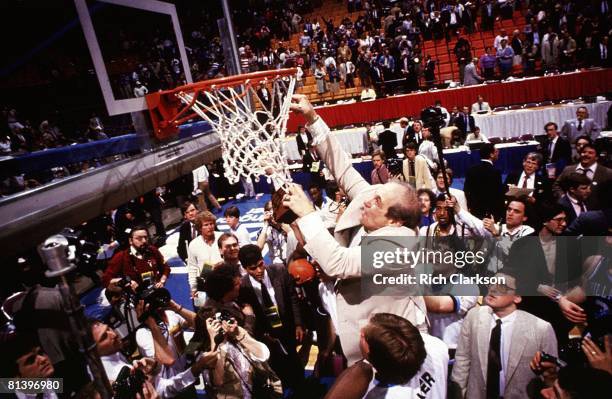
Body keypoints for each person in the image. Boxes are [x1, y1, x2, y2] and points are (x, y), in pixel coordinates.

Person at [282, 94, 427, 365]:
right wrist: (313, 119)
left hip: (394, 354)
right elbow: (343, 168)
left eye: (378, 199)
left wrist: (308, 214)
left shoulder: (402, 244)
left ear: (395, 220)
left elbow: (338, 263)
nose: (368, 197)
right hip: (362, 342)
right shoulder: (375, 207)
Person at [451, 272, 558, 399]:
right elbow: (462, 361)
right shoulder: (473, 316)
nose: (493, 289)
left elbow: (550, 379)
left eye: (501, 287)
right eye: (491, 283)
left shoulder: (541, 328)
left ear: (517, 297)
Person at [237, 244, 305, 392]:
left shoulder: (279, 270)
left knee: (294, 362)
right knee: (276, 369)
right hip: (266, 335)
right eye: (253, 268)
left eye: (261, 265)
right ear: (244, 268)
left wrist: (299, 324)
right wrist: (263, 336)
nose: (259, 270)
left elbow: (293, 297)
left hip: (287, 327)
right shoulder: (243, 286)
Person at [102, 226, 170, 289]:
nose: (144, 241)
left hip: (155, 289)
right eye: (139, 238)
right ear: (130, 241)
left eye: (146, 237)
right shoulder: (121, 256)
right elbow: (105, 279)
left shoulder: (152, 250)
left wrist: (162, 281)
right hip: (136, 296)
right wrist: (125, 281)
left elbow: (165, 268)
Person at [553, 143, 612, 210]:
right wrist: (564, 198)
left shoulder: (608, 173)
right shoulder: (569, 169)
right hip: (570, 212)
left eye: (590, 153)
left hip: (596, 212)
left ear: (596, 157)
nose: (586, 154)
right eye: (584, 152)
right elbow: (556, 185)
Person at [187, 211, 223, 304]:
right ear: (199, 228)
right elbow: (192, 267)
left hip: (224, 281)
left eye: (211, 224)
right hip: (205, 284)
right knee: (204, 312)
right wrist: (193, 288)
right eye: (206, 225)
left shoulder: (222, 237)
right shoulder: (193, 244)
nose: (210, 227)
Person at [464, 143, 505, 220]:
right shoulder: (495, 171)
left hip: (475, 211)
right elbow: (498, 194)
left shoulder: (471, 170)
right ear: (491, 155)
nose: (498, 153)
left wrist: (470, 206)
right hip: (491, 213)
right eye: (496, 151)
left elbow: (466, 191)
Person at [256, 200, 289, 265]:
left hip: (292, 261)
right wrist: (265, 224)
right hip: (277, 265)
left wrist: (279, 224)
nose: (273, 213)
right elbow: (258, 248)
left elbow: (294, 235)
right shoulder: (265, 230)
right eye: (270, 210)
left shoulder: (288, 223)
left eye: (275, 209)